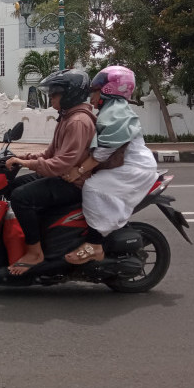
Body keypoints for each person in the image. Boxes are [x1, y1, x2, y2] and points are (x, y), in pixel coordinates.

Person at [63, 65, 158, 264]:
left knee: (93, 188)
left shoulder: (116, 113)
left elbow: (103, 152)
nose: (91, 98)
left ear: (108, 90)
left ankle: (94, 244)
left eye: (95, 92)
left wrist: (78, 171)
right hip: (127, 166)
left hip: (134, 169)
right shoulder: (112, 110)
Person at [4, 69, 96, 275]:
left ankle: (35, 253)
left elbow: (60, 164)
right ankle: (41, 232)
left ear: (70, 94)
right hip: (62, 174)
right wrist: (24, 158)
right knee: (14, 186)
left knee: (20, 197)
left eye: (55, 93)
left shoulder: (77, 121)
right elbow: (50, 153)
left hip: (72, 182)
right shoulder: (67, 117)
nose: (51, 97)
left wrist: (26, 164)